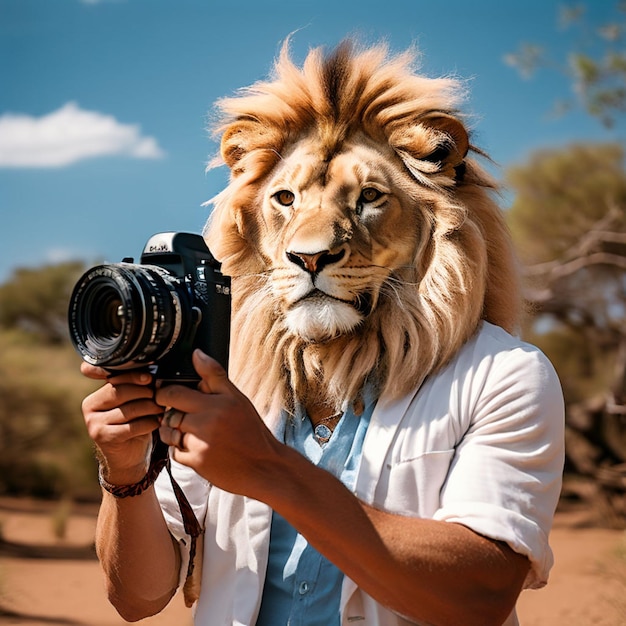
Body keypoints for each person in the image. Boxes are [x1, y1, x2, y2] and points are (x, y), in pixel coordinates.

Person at [80, 40, 564, 626]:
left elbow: (479, 599)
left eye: (370, 199)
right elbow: (137, 599)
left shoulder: (504, 375)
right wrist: (126, 473)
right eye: (284, 200)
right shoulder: (226, 380)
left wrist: (267, 467)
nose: (311, 245)